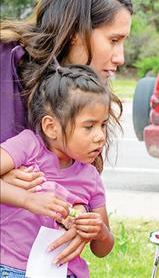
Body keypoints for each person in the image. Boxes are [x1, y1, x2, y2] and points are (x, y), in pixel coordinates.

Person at [0, 0, 132, 265]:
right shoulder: (6, 59)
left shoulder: (82, 95)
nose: (121, 57)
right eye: (113, 40)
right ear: (76, 32)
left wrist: (84, 224)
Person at [1, 63, 118, 277]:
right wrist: (27, 199)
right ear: (51, 127)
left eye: (103, 125)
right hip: (13, 269)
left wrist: (100, 232)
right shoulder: (28, 146)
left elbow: (103, 249)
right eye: (89, 126)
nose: (100, 136)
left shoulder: (90, 177)